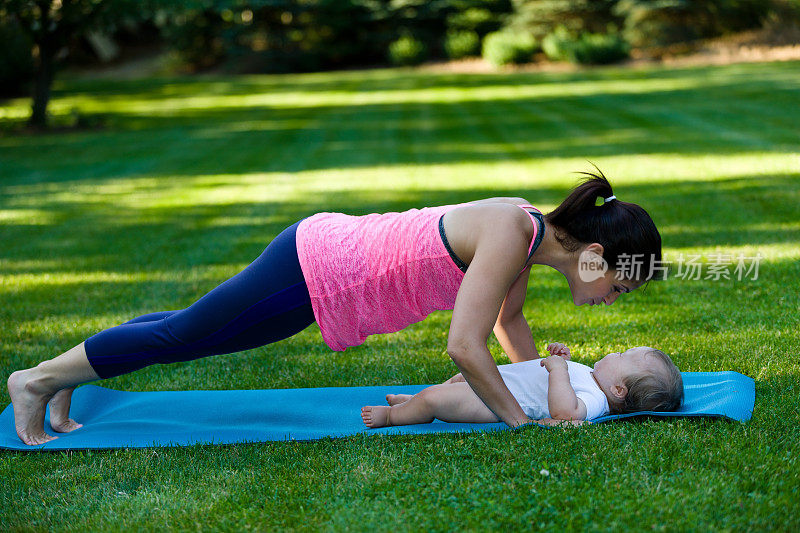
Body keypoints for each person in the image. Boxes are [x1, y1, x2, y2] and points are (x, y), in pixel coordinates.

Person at [8, 170, 663, 445]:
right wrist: (521, 423)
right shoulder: (511, 233)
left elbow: (506, 324)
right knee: (188, 335)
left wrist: (540, 392)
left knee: (187, 327)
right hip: (320, 270)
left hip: (324, 258)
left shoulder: (522, 238)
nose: (611, 297)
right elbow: (464, 346)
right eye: (619, 284)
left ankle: (60, 378)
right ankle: (37, 381)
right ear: (596, 255)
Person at [360, 342, 684, 428]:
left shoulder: (597, 400)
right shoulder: (593, 378)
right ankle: (410, 404)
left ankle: (393, 416)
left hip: (496, 404)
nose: (616, 351)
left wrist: (559, 371)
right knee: (458, 379)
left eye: (623, 355)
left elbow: (566, 412)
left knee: (434, 399)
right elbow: (566, 377)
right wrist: (565, 359)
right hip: (497, 383)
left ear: (619, 391)